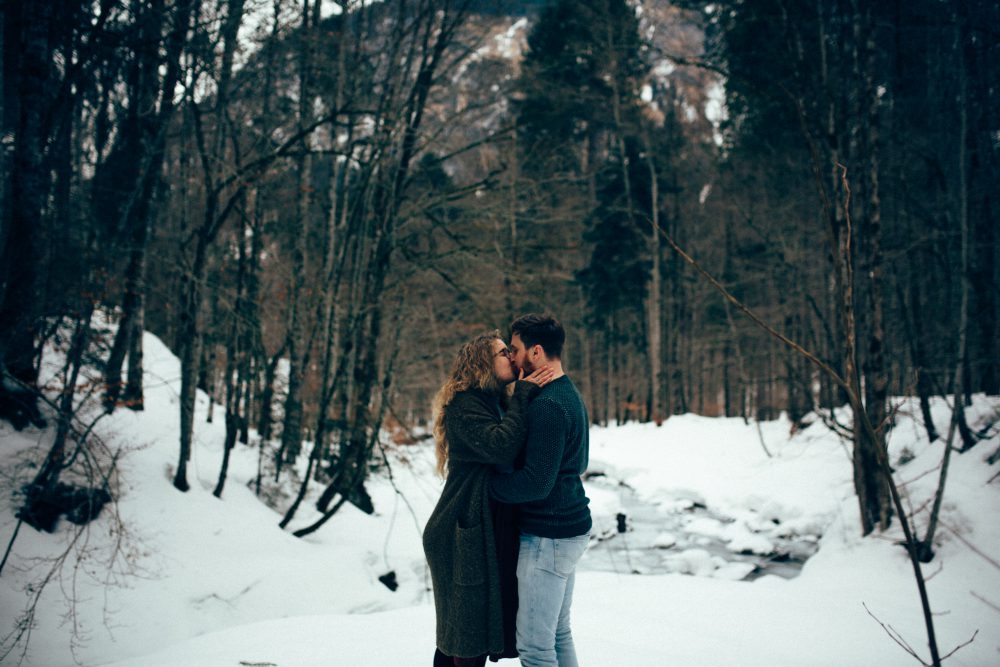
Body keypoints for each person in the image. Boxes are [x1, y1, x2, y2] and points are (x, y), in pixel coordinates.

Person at [423, 331, 555, 667]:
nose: (511, 357)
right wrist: (525, 394)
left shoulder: (496, 401)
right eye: (502, 353)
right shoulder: (465, 405)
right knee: (465, 637)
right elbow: (500, 446)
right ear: (482, 363)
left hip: (482, 527)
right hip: (460, 530)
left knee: (467, 633)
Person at [489, 314, 591, 667]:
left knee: (534, 647)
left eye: (514, 349)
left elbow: (536, 482)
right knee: (558, 633)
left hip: (549, 537)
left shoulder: (548, 405)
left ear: (535, 352)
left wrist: (488, 486)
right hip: (568, 530)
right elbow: (577, 465)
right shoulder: (568, 392)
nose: (511, 357)